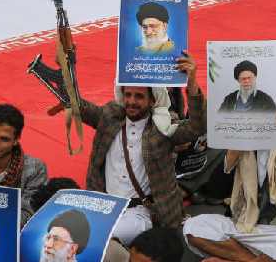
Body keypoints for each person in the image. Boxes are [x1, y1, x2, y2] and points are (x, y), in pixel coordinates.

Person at [80, 52, 204, 245]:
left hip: (141, 213)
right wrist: (66, 66)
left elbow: (197, 126)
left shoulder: (163, 127)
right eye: (128, 94)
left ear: (152, 100)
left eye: (139, 96)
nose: (131, 101)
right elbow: (81, 107)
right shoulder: (110, 117)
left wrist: (192, 81)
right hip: (103, 206)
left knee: (102, 239)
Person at [183, 102, 276, 262]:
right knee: (194, 227)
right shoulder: (242, 149)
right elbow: (214, 191)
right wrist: (232, 156)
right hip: (246, 229)